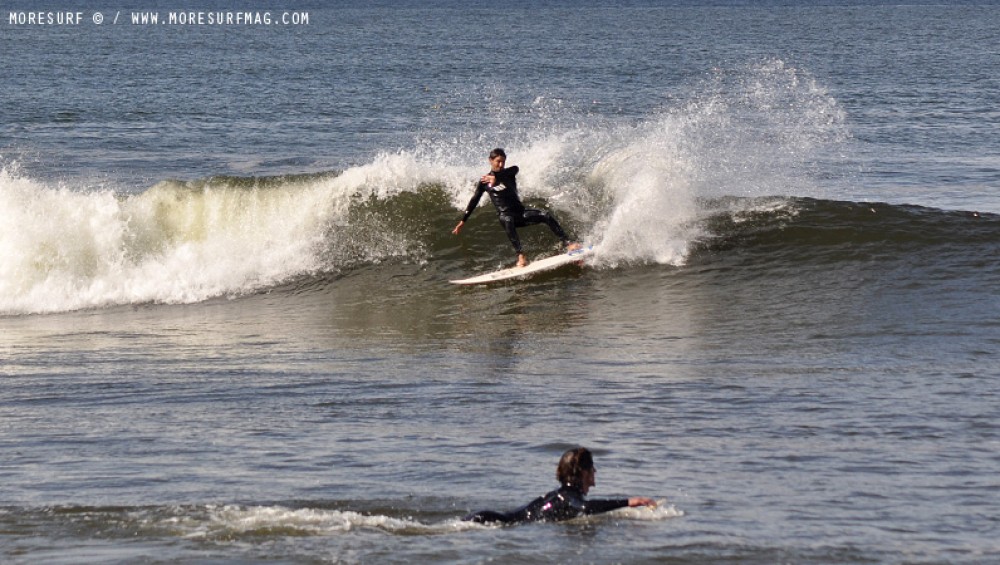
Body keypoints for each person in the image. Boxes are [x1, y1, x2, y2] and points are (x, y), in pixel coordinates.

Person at [452, 148, 580, 268]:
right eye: (498, 161)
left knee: (545, 215)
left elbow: (515, 169)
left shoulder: (510, 173)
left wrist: (496, 178)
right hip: (506, 216)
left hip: (520, 213)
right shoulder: (484, 181)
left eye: (503, 161)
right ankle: (521, 255)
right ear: (490, 160)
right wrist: (463, 220)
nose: (501, 164)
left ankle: (568, 243)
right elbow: (474, 200)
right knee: (507, 219)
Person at [463, 447, 657, 525]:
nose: (595, 471)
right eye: (592, 467)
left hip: (488, 517)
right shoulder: (569, 497)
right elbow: (585, 507)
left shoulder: (559, 495)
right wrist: (628, 502)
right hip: (491, 521)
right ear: (584, 472)